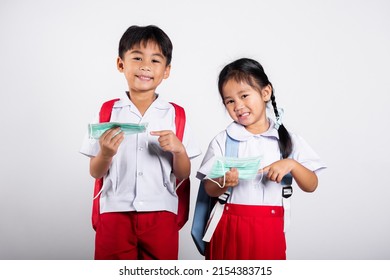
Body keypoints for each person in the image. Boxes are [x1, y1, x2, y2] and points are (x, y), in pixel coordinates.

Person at [80, 25, 201, 260]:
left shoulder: (176, 115)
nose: (145, 66)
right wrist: (105, 154)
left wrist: (179, 150)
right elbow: (95, 172)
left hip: (162, 213)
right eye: (137, 57)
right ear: (121, 64)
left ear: (166, 71)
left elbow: (183, 174)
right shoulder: (107, 111)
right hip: (115, 212)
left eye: (155, 60)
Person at [196, 58, 326, 260]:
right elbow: (209, 188)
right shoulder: (223, 140)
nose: (238, 106)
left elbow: (311, 185)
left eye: (244, 96)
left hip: (269, 231)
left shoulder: (288, 141)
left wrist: (291, 164)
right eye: (230, 101)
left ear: (265, 93)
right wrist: (223, 181)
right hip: (227, 229)